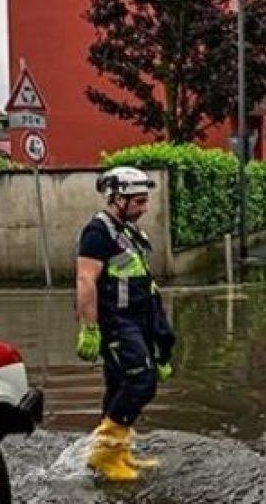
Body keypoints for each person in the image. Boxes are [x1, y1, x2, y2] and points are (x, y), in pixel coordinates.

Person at [75, 166, 176, 482]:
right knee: (141, 382)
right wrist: (90, 329)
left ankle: (117, 452)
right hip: (117, 323)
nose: (145, 208)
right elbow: (85, 280)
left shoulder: (128, 232)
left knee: (119, 385)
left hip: (138, 320)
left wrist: (160, 334)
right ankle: (105, 453)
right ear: (117, 198)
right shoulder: (97, 233)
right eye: (139, 201)